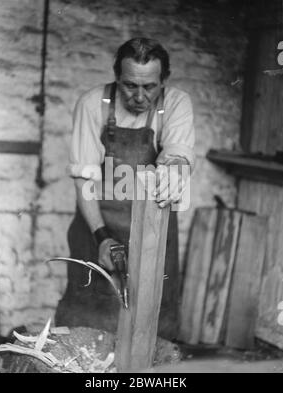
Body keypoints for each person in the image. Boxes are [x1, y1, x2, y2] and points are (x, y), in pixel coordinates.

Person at [55, 37, 195, 340]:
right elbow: (85, 178)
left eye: (150, 87)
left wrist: (175, 167)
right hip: (97, 223)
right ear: (117, 77)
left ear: (164, 80)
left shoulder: (176, 103)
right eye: (130, 85)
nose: (140, 97)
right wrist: (102, 237)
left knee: (151, 328)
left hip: (152, 233)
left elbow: (178, 150)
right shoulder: (93, 103)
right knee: (87, 329)